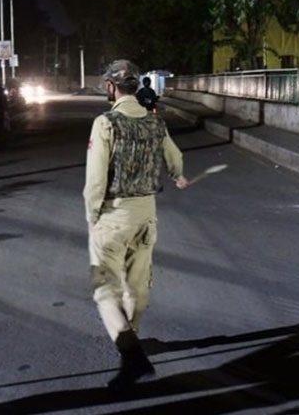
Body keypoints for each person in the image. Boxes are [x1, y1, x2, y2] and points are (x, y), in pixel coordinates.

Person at [84, 59, 189, 389]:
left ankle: (132, 357)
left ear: (111, 87)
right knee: (137, 285)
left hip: (113, 215)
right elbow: (175, 158)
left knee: (105, 289)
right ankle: (132, 336)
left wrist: (92, 216)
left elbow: (96, 180)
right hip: (146, 214)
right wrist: (177, 175)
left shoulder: (106, 123)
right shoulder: (155, 122)